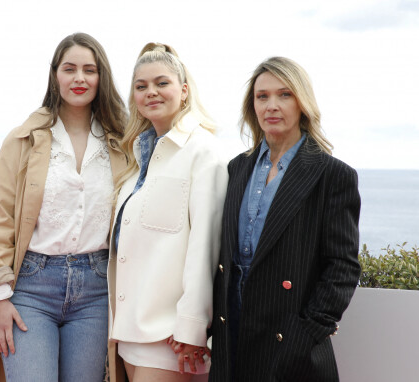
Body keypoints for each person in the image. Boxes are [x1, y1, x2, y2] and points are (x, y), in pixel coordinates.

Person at [0, 32, 127, 382]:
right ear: (55, 74)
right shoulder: (24, 138)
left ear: (102, 77)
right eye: (69, 69)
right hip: (31, 289)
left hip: (97, 291)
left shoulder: (122, 141)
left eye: (90, 69)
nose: (80, 78)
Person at [209, 57, 361, 382]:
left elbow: (343, 268)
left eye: (285, 95)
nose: (272, 106)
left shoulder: (332, 175)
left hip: (289, 344)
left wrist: (304, 335)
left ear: (302, 104)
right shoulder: (237, 168)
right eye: (262, 96)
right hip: (230, 335)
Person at [107, 43, 228, 382]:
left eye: (162, 83)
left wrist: (192, 329)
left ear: (184, 90)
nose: (151, 92)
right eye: (141, 86)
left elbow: (207, 247)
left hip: (172, 340)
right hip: (128, 332)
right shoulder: (137, 160)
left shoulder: (205, 153)